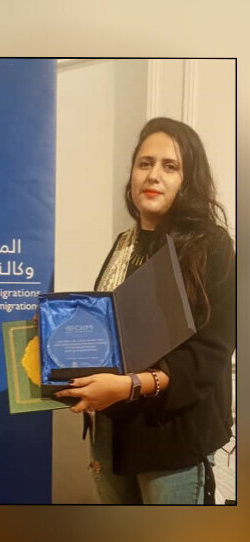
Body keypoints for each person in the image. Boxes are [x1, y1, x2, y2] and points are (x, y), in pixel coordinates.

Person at [54, 117, 235, 504]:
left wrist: (130, 386)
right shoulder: (125, 242)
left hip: (170, 437)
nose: (153, 175)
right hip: (111, 429)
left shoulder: (211, 245)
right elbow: (110, 329)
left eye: (170, 166)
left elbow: (212, 352)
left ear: (189, 179)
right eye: (145, 163)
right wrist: (58, 336)